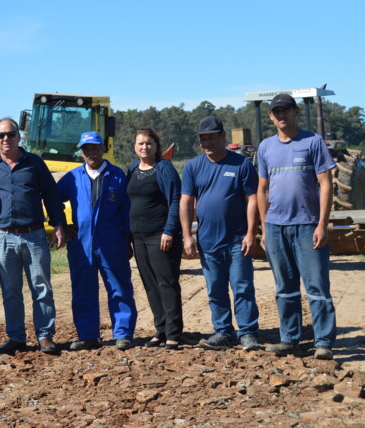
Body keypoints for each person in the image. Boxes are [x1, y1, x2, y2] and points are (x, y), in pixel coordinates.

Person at [0, 117, 66, 355]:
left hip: (34, 234)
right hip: (3, 237)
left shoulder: (34, 163)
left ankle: (45, 336)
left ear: (19, 136)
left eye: (11, 134)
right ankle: (16, 337)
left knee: (41, 287)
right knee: (10, 290)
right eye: (1, 135)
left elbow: (51, 195)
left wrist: (57, 224)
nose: (6, 139)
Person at [257, 93, 337, 360]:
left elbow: (326, 183)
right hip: (276, 226)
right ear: (271, 116)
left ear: (295, 112)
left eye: (286, 110)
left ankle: (323, 341)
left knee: (317, 287)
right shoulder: (265, 147)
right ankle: (289, 339)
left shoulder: (313, 142)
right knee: (285, 288)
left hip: (307, 225)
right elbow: (262, 189)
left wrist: (322, 224)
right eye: (276, 111)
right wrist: (265, 228)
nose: (281, 115)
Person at [180, 116, 261, 351]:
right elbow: (186, 203)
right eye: (203, 139)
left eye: (212, 138)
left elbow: (252, 199)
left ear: (223, 137)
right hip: (208, 241)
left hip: (237, 240)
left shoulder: (241, 164)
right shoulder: (193, 167)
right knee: (215, 289)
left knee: (242, 287)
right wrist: (187, 236)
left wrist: (250, 233)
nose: (207, 143)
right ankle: (223, 332)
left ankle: (247, 332)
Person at [57, 132, 138, 350]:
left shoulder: (117, 175)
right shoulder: (73, 177)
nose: (90, 152)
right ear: (81, 152)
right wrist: (62, 225)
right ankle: (88, 335)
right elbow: (53, 199)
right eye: (86, 149)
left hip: (112, 243)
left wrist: (128, 239)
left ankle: (123, 333)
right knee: (83, 290)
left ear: (102, 149)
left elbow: (127, 210)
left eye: (94, 148)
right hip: (81, 244)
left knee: (119, 287)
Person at [127, 128, 184, 350]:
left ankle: (173, 332)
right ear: (135, 146)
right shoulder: (132, 169)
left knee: (167, 283)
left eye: (149, 143)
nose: (144, 147)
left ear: (156, 146)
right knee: (150, 285)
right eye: (140, 143)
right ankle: (160, 328)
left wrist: (169, 230)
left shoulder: (164, 168)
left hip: (160, 235)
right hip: (137, 236)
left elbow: (175, 199)